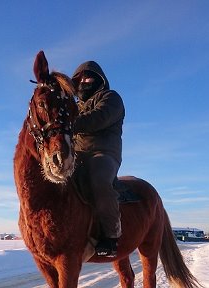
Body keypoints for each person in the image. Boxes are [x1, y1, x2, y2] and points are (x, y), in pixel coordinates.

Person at [72, 60, 125, 257]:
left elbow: (98, 118)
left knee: (99, 180)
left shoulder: (111, 98)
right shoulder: (74, 106)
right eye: (81, 79)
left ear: (99, 79)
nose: (84, 81)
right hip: (77, 155)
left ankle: (111, 237)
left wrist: (68, 122)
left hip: (103, 153)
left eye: (89, 77)